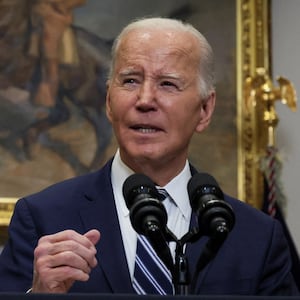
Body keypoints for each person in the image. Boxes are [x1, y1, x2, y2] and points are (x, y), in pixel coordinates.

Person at [0, 17, 298, 295]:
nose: (144, 100)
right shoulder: (43, 217)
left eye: (167, 83)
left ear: (205, 110)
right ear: (108, 101)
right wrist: (38, 296)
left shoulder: (258, 237)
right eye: (130, 80)